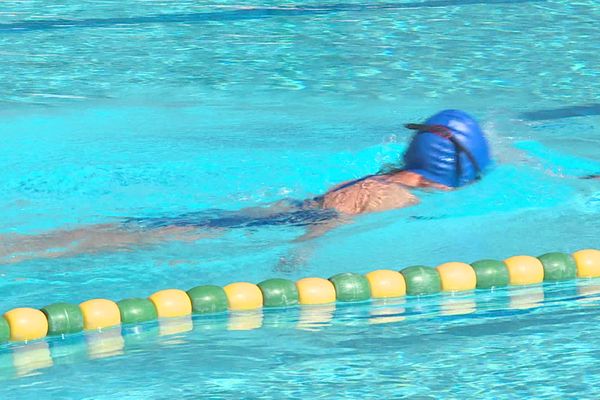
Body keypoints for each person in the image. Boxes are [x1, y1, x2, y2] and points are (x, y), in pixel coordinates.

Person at [0, 109, 491, 263]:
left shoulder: (382, 178)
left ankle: (23, 244)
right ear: (443, 177)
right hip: (265, 226)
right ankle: (19, 248)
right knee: (133, 236)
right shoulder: (389, 195)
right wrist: (298, 256)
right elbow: (332, 217)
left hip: (270, 213)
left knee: (138, 228)